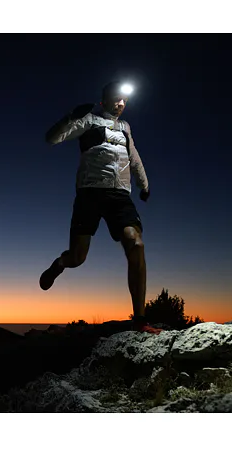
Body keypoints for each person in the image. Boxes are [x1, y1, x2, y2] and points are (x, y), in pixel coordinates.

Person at [39, 81, 162, 334]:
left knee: (136, 244)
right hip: (90, 193)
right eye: (116, 99)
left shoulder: (126, 127)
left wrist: (145, 185)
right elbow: (51, 138)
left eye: (124, 100)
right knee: (78, 258)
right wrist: (71, 116)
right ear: (103, 101)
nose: (121, 104)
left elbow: (134, 157)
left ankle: (140, 320)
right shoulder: (89, 120)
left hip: (120, 195)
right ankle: (60, 264)